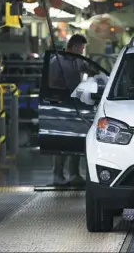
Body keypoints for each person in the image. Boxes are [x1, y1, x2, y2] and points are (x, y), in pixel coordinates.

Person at [51, 34, 89, 186]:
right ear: (74, 47)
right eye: (81, 48)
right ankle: (58, 174)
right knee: (63, 141)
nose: (82, 51)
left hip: (75, 105)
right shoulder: (57, 62)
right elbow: (52, 83)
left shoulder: (77, 61)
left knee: (76, 139)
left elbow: (89, 70)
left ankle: (74, 174)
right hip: (62, 105)